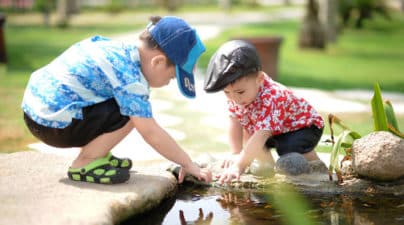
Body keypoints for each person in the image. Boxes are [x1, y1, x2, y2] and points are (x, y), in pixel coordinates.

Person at [21, 16, 212, 185]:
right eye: (172, 78)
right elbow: (150, 132)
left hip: (36, 112)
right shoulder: (130, 78)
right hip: (53, 125)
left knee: (126, 104)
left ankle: (98, 152)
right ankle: (86, 162)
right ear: (158, 62)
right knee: (133, 113)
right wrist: (187, 163)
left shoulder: (118, 51)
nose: (169, 83)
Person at [203, 40, 326, 184]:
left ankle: (316, 167)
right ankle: (267, 168)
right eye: (227, 92)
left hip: (303, 127)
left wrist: (239, 166)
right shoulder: (237, 96)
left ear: (259, 79)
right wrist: (236, 153)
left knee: (288, 148)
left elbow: (261, 135)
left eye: (240, 92)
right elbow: (235, 122)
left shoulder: (273, 97)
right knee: (249, 136)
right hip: (275, 130)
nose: (235, 99)